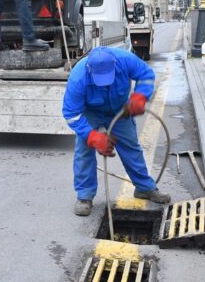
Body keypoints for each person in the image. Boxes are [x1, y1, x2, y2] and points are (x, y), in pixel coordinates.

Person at [62, 47, 171, 216]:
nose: (105, 83)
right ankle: (84, 196)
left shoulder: (125, 60)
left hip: (120, 109)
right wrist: (92, 137)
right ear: (90, 70)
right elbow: (71, 114)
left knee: (131, 147)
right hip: (92, 112)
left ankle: (144, 188)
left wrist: (140, 96)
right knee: (84, 151)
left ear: (115, 65)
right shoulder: (78, 77)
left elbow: (146, 75)